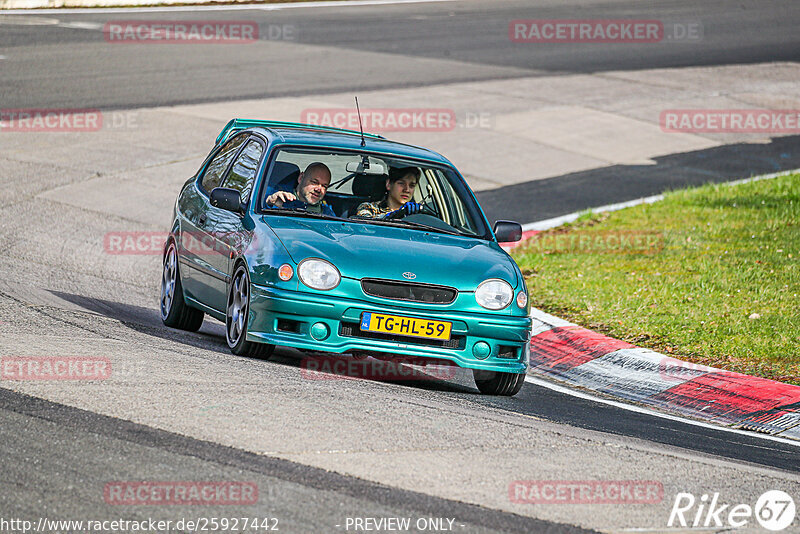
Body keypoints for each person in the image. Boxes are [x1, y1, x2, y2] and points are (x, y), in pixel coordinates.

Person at [265, 162, 335, 216]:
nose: (318, 189)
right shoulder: (281, 198)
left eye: (324, 186)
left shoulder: (326, 212)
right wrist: (270, 203)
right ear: (301, 178)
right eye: (314, 182)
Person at [356, 166, 422, 219]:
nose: (407, 190)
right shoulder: (369, 208)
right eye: (401, 183)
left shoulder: (418, 214)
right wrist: (394, 215)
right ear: (388, 184)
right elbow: (364, 227)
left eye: (412, 185)